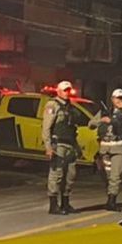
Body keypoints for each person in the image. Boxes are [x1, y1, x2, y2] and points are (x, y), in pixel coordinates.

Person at [41, 80, 83, 215]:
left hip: (70, 145)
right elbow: (46, 127)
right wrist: (48, 147)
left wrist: (77, 148)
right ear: (58, 91)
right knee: (56, 175)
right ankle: (53, 206)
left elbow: (72, 129)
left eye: (69, 90)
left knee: (70, 176)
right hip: (58, 145)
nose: (67, 92)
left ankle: (65, 203)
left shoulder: (70, 107)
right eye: (65, 90)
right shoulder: (52, 105)